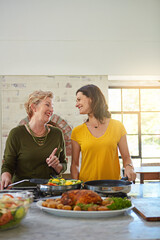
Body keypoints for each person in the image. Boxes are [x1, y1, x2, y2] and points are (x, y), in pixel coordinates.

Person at [1, 90, 67, 189]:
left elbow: (64, 165)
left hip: (50, 190)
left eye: (52, 106)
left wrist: (56, 166)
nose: (51, 110)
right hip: (22, 191)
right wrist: (6, 176)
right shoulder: (16, 134)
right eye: (47, 105)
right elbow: (8, 165)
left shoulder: (57, 134)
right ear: (33, 107)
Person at [70, 84, 136, 182]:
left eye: (79, 100)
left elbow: (126, 157)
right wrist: (75, 188)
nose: (76, 104)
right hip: (87, 189)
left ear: (91, 99)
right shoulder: (77, 132)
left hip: (113, 187)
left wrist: (129, 166)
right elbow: (74, 165)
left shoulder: (117, 126)